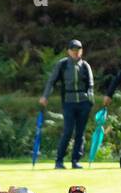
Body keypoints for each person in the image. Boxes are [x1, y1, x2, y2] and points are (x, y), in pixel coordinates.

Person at [41, 38, 96, 170]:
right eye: (73, 50)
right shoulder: (63, 64)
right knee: (68, 131)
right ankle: (59, 161)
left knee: (80, 133)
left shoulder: (85, 65)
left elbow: (91, 85)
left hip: (83, 103)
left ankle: (75, 161)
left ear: (81, 51)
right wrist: (45, 96)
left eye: (78, 50)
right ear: (69, 51)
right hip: (68, 102)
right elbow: (52, 81)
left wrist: (90, 101)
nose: (76, 52)